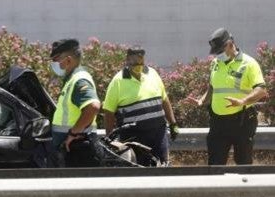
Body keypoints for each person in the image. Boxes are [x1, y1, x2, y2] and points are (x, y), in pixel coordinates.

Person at [2, 38, 125, 197]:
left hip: (80, 150)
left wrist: (74, 133)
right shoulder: (72, 80)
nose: (55, 65)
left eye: (57, 60)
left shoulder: (79, 80)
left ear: (68, 59)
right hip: (77, 150)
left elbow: (93, 107)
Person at [189, 28, 267, 165]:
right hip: (218, 122)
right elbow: (213, 86)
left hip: (242, 121)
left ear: (230, 44)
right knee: (215, 163)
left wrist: (242, 101)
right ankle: (218, 187)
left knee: (243, 163)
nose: (217, 55)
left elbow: (261, 90)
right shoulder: (215, 63)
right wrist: (202, 100)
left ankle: (244, 187)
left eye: (219, 51)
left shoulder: (249, 63)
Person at [102, 47, 178, 165]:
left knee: (164, 166)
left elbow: (164, 100)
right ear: (127, 60)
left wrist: (173, 123)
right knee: (139, 172)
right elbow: (108, 111)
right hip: (134, 138)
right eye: (135, 62)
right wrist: (109, 137)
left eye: (141, 62)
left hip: (158, 133)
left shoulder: (152, 74)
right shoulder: (117, 81)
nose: (138, 65)